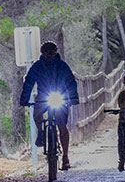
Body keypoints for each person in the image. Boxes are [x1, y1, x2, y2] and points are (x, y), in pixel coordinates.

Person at [19, 40, 80, 170]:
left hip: (60, 96)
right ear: (42, 54)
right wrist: (24, 99)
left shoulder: (62, 66)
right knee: (36, 113)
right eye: (46, 53)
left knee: (62, 126)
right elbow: (29, 82)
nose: (49, 56)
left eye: (51, 53)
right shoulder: (37, 66)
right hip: (43, 96)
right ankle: (41, 132)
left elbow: (70, 81)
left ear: (55, 53)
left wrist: (73, 97)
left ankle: (65, 157)